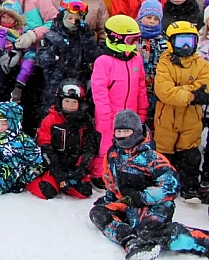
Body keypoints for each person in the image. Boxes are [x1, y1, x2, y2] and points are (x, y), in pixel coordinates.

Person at [89, 109, 209, 260]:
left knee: (149, 231)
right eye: (119, 131)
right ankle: (132, 241)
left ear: (136, 132)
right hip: (127, 203)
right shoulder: (113, 155)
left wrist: (142, 197)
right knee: (98, 213)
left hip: (155, 205)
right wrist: (110, 198)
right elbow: (110, 180)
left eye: (126, 131)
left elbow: (170, 186)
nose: (122, 135)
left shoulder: (151, 157)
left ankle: (201, 241)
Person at [153, 21, 209, 202]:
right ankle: (163, 183)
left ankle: (189, 186)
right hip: (166, 117)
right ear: (170, 42)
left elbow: (205, 87)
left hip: (191, 117)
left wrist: (180, 90)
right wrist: (192, 94)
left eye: (189, 42)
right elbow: (164, 91)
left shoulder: (201, 64)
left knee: (190, 152)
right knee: (163, 151)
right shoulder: (165, 62)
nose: (185, 47)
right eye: (181, 42)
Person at [90, 15, 148, 188]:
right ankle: (100, 172)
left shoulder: (136, 59)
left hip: (130, 113)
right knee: (106, 145)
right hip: (109, 114)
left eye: (136, 39)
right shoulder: (104, 61)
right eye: (131, 40)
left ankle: (123, 171)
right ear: (116, 37)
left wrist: (142, 112)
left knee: (130, 143)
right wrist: (105, 117)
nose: (134, 43)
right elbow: (99, 91)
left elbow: (141, 87)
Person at [28, 80, 100, 200]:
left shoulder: (85, 123)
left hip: (73, 165)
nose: (70, 105)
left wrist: (80, 169)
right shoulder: (50, 120)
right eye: (67, 101)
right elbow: (45, 147)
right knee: (46, 191)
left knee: (85, 191)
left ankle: (66, 183)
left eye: (74, 102)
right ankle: (37, 181)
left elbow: (89, 148)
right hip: (53, 166)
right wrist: (58, 173)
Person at [38, 0, 100, 112]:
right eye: (69, 18)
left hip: (78, 82)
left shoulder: (84, 35)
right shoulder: (51, 36)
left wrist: (87, 37)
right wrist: (55, 50)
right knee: (53, 113)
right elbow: (42, 61)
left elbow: (93, 56)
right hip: (55, 85)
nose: (73, 22)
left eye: (76, 19)